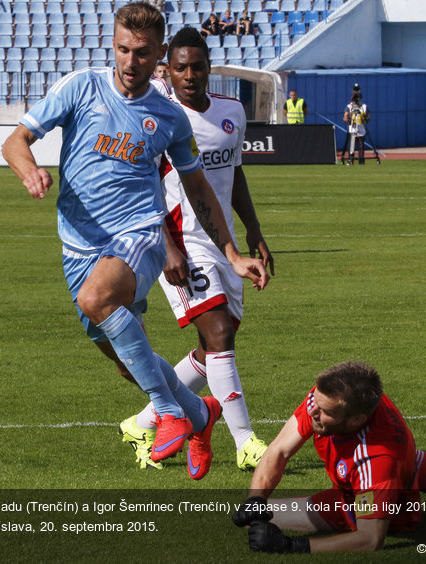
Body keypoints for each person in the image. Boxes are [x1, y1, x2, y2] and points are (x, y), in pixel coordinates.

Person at [2, 2, 270, 480]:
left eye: (142, 53)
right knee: (131, 362)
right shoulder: (81, 87)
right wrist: (30, 170)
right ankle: (199, 413)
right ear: (114, 45)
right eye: (123, 50)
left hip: (140, 235)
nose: (130, 62)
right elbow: (15, 141)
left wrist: (233, 252)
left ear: (159, 54)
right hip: (78, 246)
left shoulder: (169, 117)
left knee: (95, 298)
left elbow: (198, 187)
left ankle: (169, 412)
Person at [120, 26, 273, 473]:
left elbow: (235, 175)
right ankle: (246, 443)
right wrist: (168, 247)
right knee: (220, 335)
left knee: (213, 350)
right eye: (180, 67)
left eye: (198, 67)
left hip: (225, 246)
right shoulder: (160, 118)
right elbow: (145, 186)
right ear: (168, 69)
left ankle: (145, 420)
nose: (190, 74)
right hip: (182, 243)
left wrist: (254, 232)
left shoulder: (232, 112)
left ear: (210, 69)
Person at [231, 360, 426, 554]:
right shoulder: (329, 399)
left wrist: (293, 547)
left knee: (260, 523)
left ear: (355, 420)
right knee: (414, 463)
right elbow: (279, 450)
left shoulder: (373, 459)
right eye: (315, 401)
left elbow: (370, 539)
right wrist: (254, 500)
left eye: (324, 411)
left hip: (378, 506)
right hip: (397, 468)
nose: (311, 411)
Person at [343, 92, 368, 165]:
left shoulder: (364, 106)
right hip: (352, 129)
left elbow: (368, 117)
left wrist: (363, 117)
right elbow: (345, 117)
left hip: (361, 129)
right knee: (351, 146)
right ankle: (350, 160)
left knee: (361, 146)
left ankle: (361, 161)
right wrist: (349, 118)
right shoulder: (349, 106)